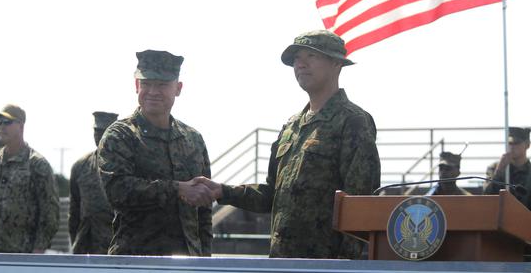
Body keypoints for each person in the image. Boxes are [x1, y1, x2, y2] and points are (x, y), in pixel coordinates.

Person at [195, 30, 381, 258]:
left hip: (326, 265)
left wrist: (344, 265)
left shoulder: (353, 121)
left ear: (336, 64)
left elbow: (359, 204)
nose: (300, 64)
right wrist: (222, 191)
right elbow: (271, 195)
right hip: (283, 261)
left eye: (311, 56)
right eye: (296, 59)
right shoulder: (292, 127)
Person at [98, 50, 213, 256]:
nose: (153, 91)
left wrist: (205, 259)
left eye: (162, 85)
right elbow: (117, 191)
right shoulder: (120, 135)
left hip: (187, 262)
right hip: (134, 261)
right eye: (147, 83)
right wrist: (177, 189)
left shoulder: (193, 139)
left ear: (178, 89)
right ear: (136, 86)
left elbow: (203, 209)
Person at [0, 104, 60, 253]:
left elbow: (50, 214)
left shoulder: (37, 164)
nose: (1, 126)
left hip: (21, 256)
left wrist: (38, 250)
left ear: (21, 126)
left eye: (7, 122)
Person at [69, 111, 118, 254]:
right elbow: (74, 213)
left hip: (115, 247)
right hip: (87, 247)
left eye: (104, 131)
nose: (99, 135)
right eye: (96, 130)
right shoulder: (81, 166)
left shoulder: (127, 166)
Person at [483, 127, 531, 209]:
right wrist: (499, 171)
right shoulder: (495, 168)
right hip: (503, 218)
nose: (512, 147)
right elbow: (487, 195)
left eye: (516, 143)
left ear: (527, 145)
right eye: (509, 143)